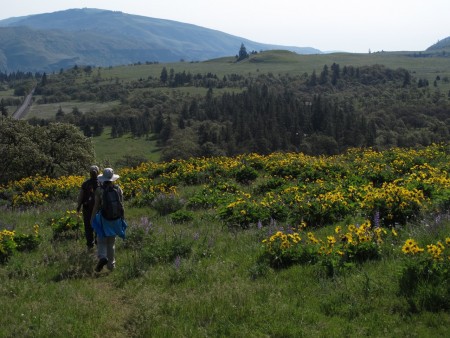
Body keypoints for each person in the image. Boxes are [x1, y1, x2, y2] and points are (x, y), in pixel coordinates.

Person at [90, 167, 127, 272]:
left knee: (101, 240)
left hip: (104, 218)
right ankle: (111, 265)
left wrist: (92, 219)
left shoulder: (99, 190)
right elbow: (122, 205)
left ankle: (103, 257)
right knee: (111, 243)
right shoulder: (118, 189)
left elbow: (96, 206)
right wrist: (122, 219)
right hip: (115, 219)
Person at [76, 165, 100, 250]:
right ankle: (98, 242)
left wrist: (78, 206)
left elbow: (80, 196)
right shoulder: (101, 183)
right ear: (98, 173)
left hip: (87, 208)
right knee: (98, 225)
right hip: (99, 209)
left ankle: (90, 245)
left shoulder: (85, 184)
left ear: (89, 173)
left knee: (88, 227)